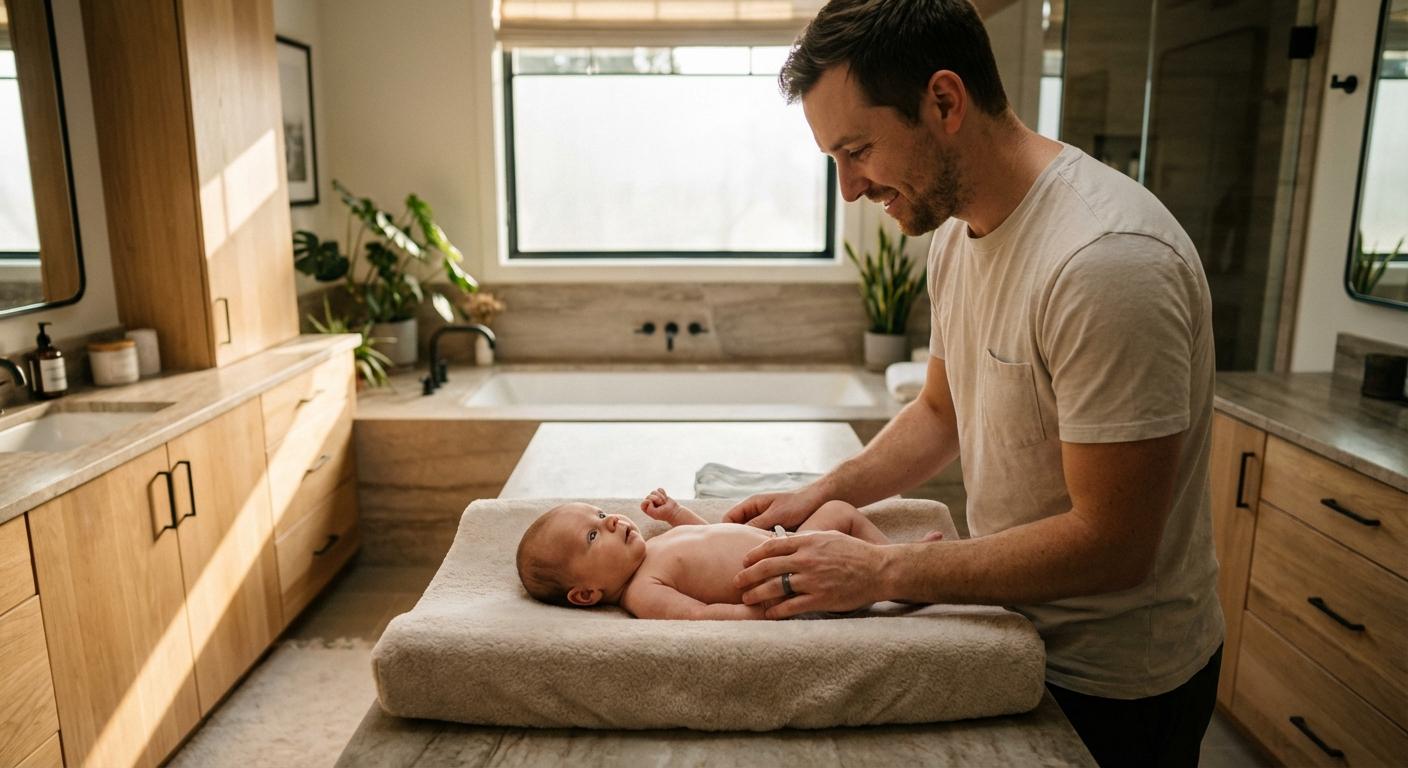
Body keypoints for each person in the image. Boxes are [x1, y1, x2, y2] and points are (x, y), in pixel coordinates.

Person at [724, 1, 1223, 765]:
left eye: (856, 150)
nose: (850, 189)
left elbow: (1115, 543)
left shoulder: (1108, 262)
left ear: (945, 102)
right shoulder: (957, 233)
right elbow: (938, 412)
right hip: (1009, 634)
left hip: (1115, 685)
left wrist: (884, 570)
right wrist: (820, 493)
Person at [514, 488, 942, 620]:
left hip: (788, 547)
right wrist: (760, 615)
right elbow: (701, 617)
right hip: (790, 581)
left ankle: (899, 561)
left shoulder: (651, 549)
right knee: (840, 515)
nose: (609, 521)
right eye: (592, 536)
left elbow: (711, 536)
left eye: (601, 514)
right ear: (587, 594)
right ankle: (901, 586)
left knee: (839, 512)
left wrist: (678, 513)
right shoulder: (643, 592)